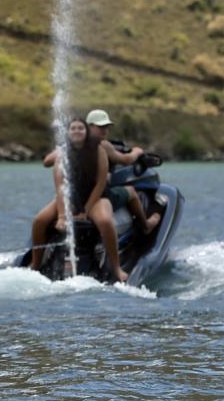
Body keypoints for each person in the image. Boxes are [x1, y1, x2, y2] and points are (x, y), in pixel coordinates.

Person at [31, 118, 129, 282]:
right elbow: (60, 187)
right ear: (68, 133)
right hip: (70, 198)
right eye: (73, 128)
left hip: (97, 197)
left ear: (87, 132)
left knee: (105, 221)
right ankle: (35, 264)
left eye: (81, 128)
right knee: (39, 220)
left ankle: (117, 268)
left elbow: (100, 183)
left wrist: (86, 210)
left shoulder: (98, 150)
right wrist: (62, 216)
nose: (77, 131)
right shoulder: (63, 154)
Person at [41, 109, 161, 234]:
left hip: (76, 194)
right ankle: (146, 225)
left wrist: (66, 147)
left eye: (106, 127)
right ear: (88, 127)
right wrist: (137, 151)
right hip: (97, 195)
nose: (104, 130)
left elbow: (47, 161)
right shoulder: (103, 145)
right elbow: (125, 160)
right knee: (131, 192)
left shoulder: (73, 146)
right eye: (100, 127)